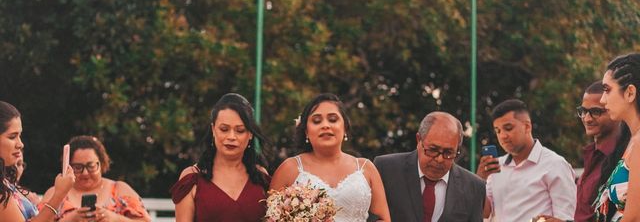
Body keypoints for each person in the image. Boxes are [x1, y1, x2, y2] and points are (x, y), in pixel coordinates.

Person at [270, 93, 391, 222]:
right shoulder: (289, 169)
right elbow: (271, 216)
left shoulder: (366, 168)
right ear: (306, 131)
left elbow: (384, 218)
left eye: (333, 119)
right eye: (317, 121)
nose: (325, 125)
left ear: (345, 128)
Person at [171, 93, 270, 222]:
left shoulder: (261, 177)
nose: (231, 137)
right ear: (213, 129)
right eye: (224, 129)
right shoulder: (192, 178)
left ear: (250, 134)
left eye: (240, 130)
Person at [373, 111, 485, 221]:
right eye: (432, 150)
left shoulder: (474, 187)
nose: (439, 159)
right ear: (418, 140)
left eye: (448, 153)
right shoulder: (385, 169)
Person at [477, 98, 576, 221]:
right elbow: (485, 213)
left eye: (508, 128)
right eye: (498, 131)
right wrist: (479, 181)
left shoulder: (555, 165)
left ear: (527, 127)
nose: (502, 136)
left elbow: (564, 217)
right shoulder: (497, 167)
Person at [540, 81, 622, 222]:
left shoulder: (623, 159)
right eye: (583, 111)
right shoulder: (591, 154)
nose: (587, 118)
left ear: (614, 110)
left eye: (596, 112)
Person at [42, 135, 150, 222]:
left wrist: (115, 219)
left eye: (91, 166)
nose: (85, 173)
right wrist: (70, 219)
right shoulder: (56, 193)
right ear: (68, 167)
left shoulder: (119, 189)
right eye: (78, 167)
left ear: (102, 164)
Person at [0, 100, 75, 222]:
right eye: (12, 137)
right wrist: (59, 195)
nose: (20, 144)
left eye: (20, 136)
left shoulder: (5, 182)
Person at [594, 53, 640, 221]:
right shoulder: (631, 140)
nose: (602, 99)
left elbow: (634, 217)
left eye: (607, 90)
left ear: (630, 93)